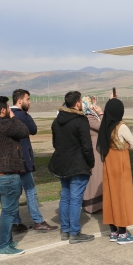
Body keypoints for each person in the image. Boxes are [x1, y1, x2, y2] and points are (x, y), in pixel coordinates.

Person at [0, 95, 30, 256]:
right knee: (9, 212)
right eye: (8, 108)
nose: (10, 110)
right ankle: (4, 246)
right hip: (8, 175)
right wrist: (14, 117)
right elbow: (24, 131)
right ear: (3, 110)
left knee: (6, 210)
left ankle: (8, 241)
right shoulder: (6, 124)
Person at [48, 91, 96, 244]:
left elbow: (55, 144)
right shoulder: (80, 121)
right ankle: (74, 232)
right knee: (75, 199)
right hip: (78, 164)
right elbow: (87, 147)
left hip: (62, 164)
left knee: (65, 197)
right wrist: (90, 164)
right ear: (77, 103)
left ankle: (66, 230)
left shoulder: (56, 121)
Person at [10, 89, 58, 233]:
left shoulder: (6, 116)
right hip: (23, 160)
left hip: (11, 160)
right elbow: (33, 129)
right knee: (31, 191)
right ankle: (38, 221)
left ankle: (15, 222)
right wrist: (27, 115)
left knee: (14, 193)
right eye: (28, 99)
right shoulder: (22, 115)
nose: (29, 102)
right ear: (20, 101)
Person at [97, 98, 133, 244]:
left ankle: (113, 231)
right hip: (120, 163)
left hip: (108, 163)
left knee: (110, 195)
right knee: (122, 196)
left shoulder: (105, 125)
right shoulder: (121, 127)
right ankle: (122, 233)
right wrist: (125, 145)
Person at [82, 95, 104, 213]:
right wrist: (101, 113)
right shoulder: (88, 117)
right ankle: (92, 205)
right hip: (94, 150)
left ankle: (98, 203)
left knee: (98, 175)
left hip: (97, 148)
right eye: (92, 102)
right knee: (95, 176)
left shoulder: (90, 115)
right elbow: (103, 126)